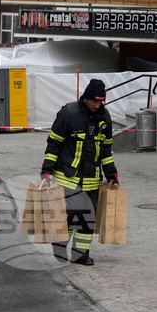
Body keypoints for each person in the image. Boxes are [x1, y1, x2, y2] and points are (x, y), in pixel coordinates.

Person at [40, 78, 119, 266]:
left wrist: (111, 174)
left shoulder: (104, 117)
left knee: (87, 219)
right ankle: (60, 246)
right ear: (85, 98)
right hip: (67, 177)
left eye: (100, 102)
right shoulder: (68, 113)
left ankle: (80, 255)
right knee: (71, 215)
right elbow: (54, 143)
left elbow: (106, 150)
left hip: (92, 179)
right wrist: (47, 170)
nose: (97, 105)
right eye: (94, 101)